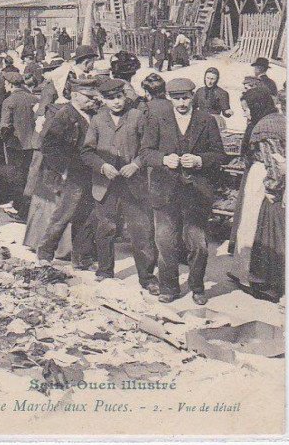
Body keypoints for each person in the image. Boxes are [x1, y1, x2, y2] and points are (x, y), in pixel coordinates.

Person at [140, 77, 227, 304]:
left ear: (193, 97)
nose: (181, 103)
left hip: (196, 193)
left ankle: (197, 286)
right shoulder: (158, 119)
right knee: (166, 242)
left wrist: (199, 160)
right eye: (176, 98)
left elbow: (219, 154)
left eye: (186, 98)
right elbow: (146, 153)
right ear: (169, 97)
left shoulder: (206, 120)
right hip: (165, 192)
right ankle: (169, 287)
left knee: (198, 244)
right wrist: (163, 159)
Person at [81, 78, 158, 292]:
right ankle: (105, 271)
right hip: (106, 184)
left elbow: (149, 148)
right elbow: (87, 152)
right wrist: (103, 166)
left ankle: (147, 277)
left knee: (141, 230)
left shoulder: (136, 117)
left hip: (133, 184)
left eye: (119, 97)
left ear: (125, 96)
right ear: (103, 100)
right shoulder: (97, 120)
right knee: (106, 228)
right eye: (110, 98)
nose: (116, 102)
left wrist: (136, 164)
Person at [34, 75, 100, 268]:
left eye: (93, 96)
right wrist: (63, 169)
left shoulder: (93, 114)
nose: (92, 100)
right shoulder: (65, 115)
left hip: (88, 173)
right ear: (75, 95)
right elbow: (49, 145)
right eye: (87, 97)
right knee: (63, 215)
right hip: (72, 173)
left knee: (86, 215)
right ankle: (45, 254)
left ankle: (81, 258)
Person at [228, 87, 285, 300]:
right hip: (265, 177)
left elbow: (274, 162)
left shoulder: (265, 128)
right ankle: (246, 272)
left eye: (247, 109)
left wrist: (272, 188)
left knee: (253, 226)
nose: (246, 114)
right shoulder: (277, 118)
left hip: (262, 179)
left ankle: (254, 276)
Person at [0, 70, 37, 218]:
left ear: (9, 84)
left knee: (17, 177)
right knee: (30, 177)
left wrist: (5, 139)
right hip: (33, 144)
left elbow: (5, 126)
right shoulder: (34, 98)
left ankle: (20, 209)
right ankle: (27, 209)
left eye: (5, 83)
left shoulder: (9, 101)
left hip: (15, 145)